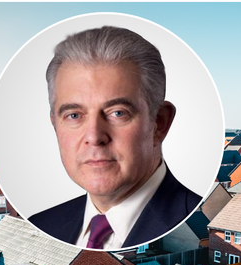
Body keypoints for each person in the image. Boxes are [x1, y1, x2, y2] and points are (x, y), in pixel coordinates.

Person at [30, 26, 201, 250]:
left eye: (118, 113)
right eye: (74, 115)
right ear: (55, 124)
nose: (94, 136)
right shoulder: (42, 224)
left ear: (159, 123)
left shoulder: (193, 217)